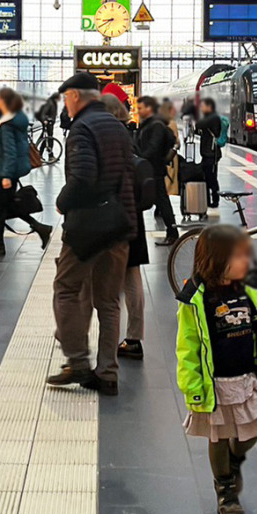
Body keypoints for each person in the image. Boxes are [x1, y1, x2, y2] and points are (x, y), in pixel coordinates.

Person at [177, 225, 257, 514]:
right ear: (217, 260)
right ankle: (225, 490)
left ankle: (235, 458)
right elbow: (186, 348)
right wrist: (192, 386)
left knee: (250, 432)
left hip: (245, 378)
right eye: (239, 256)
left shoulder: (249, 290)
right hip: (216, 384)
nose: (246, 262)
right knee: (218, 436)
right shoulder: (197, 299)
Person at [48, 71, 136, 396]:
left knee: (66, 288)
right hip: (120, 223)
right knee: (109, 301)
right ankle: (108, 373)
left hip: (88, 225)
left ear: (75, 96)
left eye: (66, 98)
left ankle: (77, 362)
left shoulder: (81, 128)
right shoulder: (119, 127)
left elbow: (83, 177)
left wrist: (62, 202)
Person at [0, 88, 51, 256]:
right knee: (5, 205)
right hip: (8, 171)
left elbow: (10, 152)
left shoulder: (7, 125)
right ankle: (38, 228)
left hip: (6, 173)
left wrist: (6, 175)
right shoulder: (17, 119)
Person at [103, 93, 148, 360]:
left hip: (116, 215)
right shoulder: (131, 133)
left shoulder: (109, 137)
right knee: (132, 277)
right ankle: (134, 337)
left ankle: (112, 337)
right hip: (134, 215)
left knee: (111, 279)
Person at [135, 95, 178, 246]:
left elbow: (153, 148)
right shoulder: (148, 124)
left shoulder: (156, 125)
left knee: (162, 201)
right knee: (161, 201)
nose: (138, 111)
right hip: (151, 169)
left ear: (149, 108)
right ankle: (172, 233)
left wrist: (139, 157)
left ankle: (173, 233)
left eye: (140, 108)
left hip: (154, 169)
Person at [195, 97, 223, 208]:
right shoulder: (210, 118)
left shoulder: (213, 118)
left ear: (209, 107)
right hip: (208, 153)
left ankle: (215, 200)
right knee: (207, 176)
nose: (201, 108)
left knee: (211, 177)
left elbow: (199, 125)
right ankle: (208, 200)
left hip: (211, 153)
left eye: (203, 106)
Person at [159, 99, 181, 197]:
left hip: (162, 156)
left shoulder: (159, 121)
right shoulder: (171, 123)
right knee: (168, 184)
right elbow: (176, 141)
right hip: (170, 157)